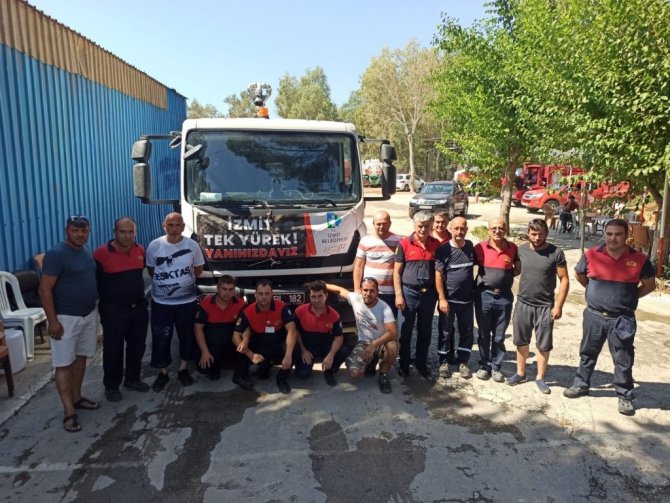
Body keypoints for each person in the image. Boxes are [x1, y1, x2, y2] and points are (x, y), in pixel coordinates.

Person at [563, 218, 655, 416]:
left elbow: (649, 285)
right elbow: (580, 275)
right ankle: (581, 384)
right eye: (609, 234)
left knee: (623, 358)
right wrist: (593, 292)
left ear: (627, 235)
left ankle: (625, 395)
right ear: (604, 234)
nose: (613, 238)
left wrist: (629, 298)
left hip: (622, 319)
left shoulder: (640, 259)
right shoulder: (591, 254)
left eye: (618, 234)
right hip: (594, 315)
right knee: (587, 352)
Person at [39, 215, 99, 433]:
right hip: (65, 319)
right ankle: (69, 412)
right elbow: (44, 289)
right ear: (67, 231)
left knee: (81, 358)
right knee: (63, 364)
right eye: (75, 230)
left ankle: (77, 398)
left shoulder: (85, 251)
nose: (80, 235)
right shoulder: (57, 254)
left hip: (88, 314)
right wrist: (53, 321)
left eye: (84, 231)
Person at [507, 219, 569, 394]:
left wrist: (559, 306)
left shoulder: (556, 253)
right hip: (523, 303)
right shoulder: (521, 250)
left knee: (543, 344)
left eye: (540, 234)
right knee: (521, 341)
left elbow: (564, 279)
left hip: (545, 306)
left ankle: (540, 377)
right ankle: (520, 373)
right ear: (528, 233)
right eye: (533, 234)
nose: (537, 238)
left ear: (546, 233)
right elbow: (516, 270)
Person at [146, 212, 205, 391]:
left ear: (183, 227)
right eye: (170, 225)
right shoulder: (154, 245)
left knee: (186, 336)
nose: (174, 229)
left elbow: (198, 270)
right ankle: (162, 372)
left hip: (186, 302)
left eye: (177, 225)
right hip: (161, 303)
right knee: (160, 337)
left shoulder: (192, 245)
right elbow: (151, 271)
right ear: (164, 226)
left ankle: (183, 369)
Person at [93, 217, 150, 402]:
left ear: (135, 233)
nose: (127, 236)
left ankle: (132, 379)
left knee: (137, 346)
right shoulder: (101, 254)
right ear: (114, 232)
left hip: (138, 309)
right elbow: (95, 281)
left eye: (131, 232)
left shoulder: (140, 250)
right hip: (113, 311)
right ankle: (112, 386)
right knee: (113, 349)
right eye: (123, 232)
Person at [326, 278, 398, 393]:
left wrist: (374, 344)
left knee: (393, 346)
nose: (368, 293)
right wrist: (321, 284)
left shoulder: (384, 308)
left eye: (372, 291)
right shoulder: (355, 298)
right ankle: (371, 362)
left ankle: (383, 375)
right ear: (361, 290)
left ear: (377, 292)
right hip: (364, 342)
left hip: (382, 341)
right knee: (354, 373)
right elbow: (339, 290)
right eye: (365, 290)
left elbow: (393, 333)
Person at [394, 211, 440, 379]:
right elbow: (396, 272)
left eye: (427, 226)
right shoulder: (404, 244)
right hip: (409, 293)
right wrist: (399, 294)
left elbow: (439, 272)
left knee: (425, 330)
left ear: (431, 226)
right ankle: (404, 363)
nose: (423, 229)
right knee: (405, 330)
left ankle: (421, 362)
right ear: (414, 225)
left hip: (429, 294)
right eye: (420, 226)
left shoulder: (436, 245)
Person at [474, 217, 520, 383]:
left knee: (499, 335)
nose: (497, 231)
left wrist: (502, 279)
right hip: (484, 296)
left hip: (504, 297)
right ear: (488, 230)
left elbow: (517, 269)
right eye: (494, 228)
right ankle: (484, 365)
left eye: (501, 228)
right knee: (484, 333)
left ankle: (496, 366)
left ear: (505, 229)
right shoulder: (479, 247)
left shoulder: (513, 248)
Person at [232, 279, 298, 394]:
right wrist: (251, 355)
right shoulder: (248, 311)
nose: (264, 297)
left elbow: (292, 331)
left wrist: (288, 355)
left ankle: (282, 378)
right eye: (260, 293)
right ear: (255, 294)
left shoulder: (281, 307)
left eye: (267, 293)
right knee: (255, 369)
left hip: (279, 342)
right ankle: (240, 375)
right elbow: (235, 336)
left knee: (295, 349)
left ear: (272, 294)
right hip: (261, 345)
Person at [434, 216, 476, 379]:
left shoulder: (470, 246)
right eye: (456, 228)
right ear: (450, 229)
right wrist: (442, 299)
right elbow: (438, 276)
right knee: (445, 332)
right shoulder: (443, 250)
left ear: (466, 229)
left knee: (466, 332)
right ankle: (444, 361)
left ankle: (463, 361)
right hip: (449, 301)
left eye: (462, 228)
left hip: (466, 300)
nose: (459, 231)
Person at [293, 281, 350, 386]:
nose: (316, 300)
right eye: (313, 297)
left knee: (343, 351)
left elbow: (339, 337)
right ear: (309, 297)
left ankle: (329, 371)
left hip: (325, 346)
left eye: (320, 296)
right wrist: (303, 350)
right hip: (307, 347)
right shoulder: (300, 311)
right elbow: (294, 331)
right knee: (302, 374)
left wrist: (331, 355)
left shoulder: (334, 314)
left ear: (326, 296)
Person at [193, 275, 246, 381]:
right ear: (218, 289)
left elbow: (246, 328)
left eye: (230, 289)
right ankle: (215, 364)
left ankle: (228, 363)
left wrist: (244, 345)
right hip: (212, 345)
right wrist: (205, 352)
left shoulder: (240, 304)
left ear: (234, 290)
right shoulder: (206, 303)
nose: (227, 293)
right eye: (224, 289)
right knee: (203, 368)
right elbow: (197, 328)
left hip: (231, 344)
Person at [353, 211, 402, 317]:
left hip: (390, 293)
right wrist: (357, 289)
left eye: (384, 223)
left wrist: (399, 294)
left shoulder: (398, 241)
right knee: (370, 321)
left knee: (389, 321)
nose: (381, 227)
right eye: (378, 224)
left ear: (390, 223)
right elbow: (358, 267)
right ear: (373, 224)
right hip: (369, 292)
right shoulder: (365, 241)